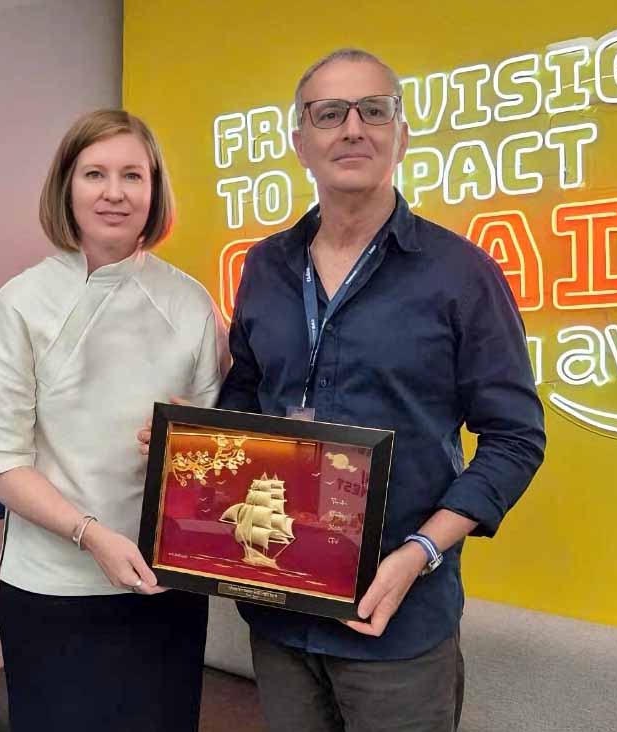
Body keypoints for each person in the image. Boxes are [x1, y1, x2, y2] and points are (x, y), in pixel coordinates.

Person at [210, 49, 545, 731]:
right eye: (329, 113)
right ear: (300, 142)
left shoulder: (461, 274)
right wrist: (195, 452)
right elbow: (243, 401)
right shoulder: (264, 266)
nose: (353, 128)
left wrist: (422, 551)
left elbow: (515, 438)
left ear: (401, 135)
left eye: (374, 110)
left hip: (397, 622)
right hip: (278, 609)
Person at [0, 109, 224, 732]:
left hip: (166, 587)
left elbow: (223, 445)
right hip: (53, 591)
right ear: (66, 187)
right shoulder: (22, 303)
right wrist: (91, 535)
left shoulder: (190, 303)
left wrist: (192, 442)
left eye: (133, 175)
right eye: (95, 173)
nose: (114, 192)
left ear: (154, 191)